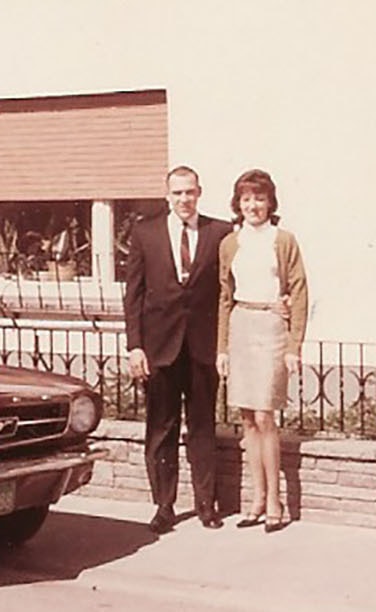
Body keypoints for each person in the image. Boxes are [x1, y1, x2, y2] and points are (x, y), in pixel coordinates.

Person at [123, 165, 234, 533]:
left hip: (202, 348)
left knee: (203, 427)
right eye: (177, 193)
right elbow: (134, 295)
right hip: (159, 348)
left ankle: (206, 505)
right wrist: (135, 346)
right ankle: (164, 506)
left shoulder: (220, 233)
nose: (184, 199)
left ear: (199, 193)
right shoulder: (145, 232)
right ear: (167, 195)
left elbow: (232, 286)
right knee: (161, 428)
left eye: (190, 192)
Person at [216, 168, 309, 533]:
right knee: (247, 418)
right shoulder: (230, 243)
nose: (253, 205)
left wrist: (293, 344)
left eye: (259, 198)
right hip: (241, 324)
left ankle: (275, 501)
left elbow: (299, 291)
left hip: (271, 327)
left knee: (266, 416)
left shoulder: (283, 240)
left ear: (271, 202)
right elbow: (224, 296)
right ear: (238, 205)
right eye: (246, 199)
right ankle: (255, 499)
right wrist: (222, 347)